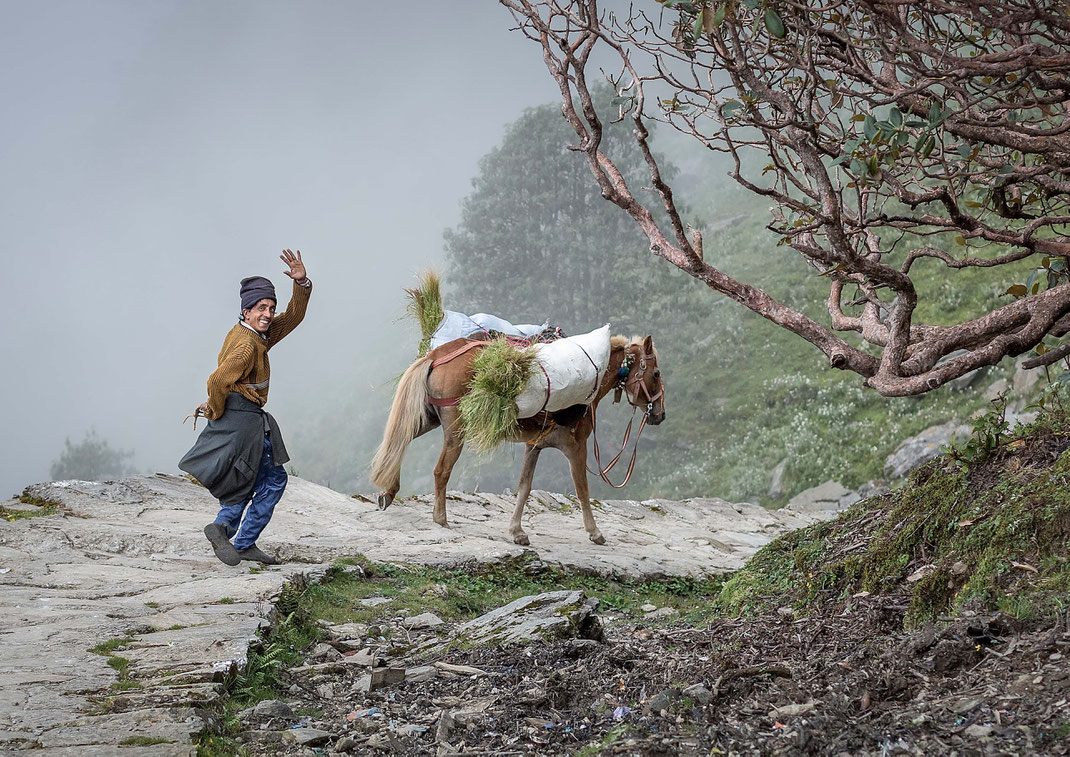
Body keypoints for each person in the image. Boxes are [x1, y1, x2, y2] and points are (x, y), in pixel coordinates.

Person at [179, 249, 312, 566]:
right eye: (261, 308)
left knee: (245, 480)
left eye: (271, 307)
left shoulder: (256, 334)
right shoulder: (248, 344)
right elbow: (217, 380)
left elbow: (292, 318)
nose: (267, 313)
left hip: (240, 421)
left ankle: (224, 529)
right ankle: (239, 538)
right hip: (247, 423)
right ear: (246, 310)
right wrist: (214, 408)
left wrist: (301, 283)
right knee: (274, 481)